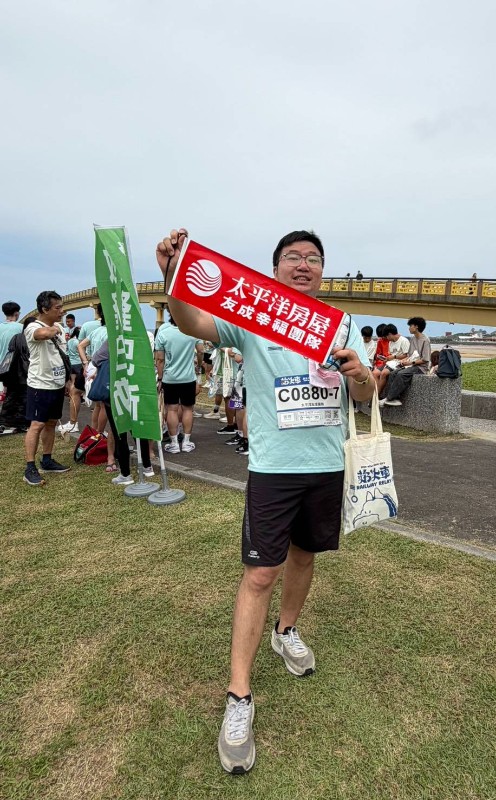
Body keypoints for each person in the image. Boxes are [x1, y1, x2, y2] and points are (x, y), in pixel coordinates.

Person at [156, 227, 373, 775]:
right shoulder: (256, 315)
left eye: (313, 258)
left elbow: (367, 391)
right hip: (273, 468)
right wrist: (173, 277)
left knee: (305, 556)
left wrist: (361, 374)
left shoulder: (342, 323)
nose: (304, 265)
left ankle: (286, 631)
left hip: (326, 465)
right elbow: (192, 322)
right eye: (292, 257)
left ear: (322, 270)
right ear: (275, 268)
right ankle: (239, 696)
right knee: (260, 574)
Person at [23, 291, 71, 486]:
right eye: (57, 308)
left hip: (57, 384)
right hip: (40, 385)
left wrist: (67, 382)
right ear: (44, 309)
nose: (61, 311)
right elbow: (41, 334)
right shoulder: (33, 326)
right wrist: (53, 330)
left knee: (51, 423)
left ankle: (47, 459)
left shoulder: (59, 326)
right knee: (36, 425)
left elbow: (63, 356)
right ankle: (30, 467)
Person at [90, 340, 154, 485]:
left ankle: (125, 473)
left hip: (116, 391)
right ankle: (147, 466)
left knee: (119, 432)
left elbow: (96, 359)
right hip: (134, 390)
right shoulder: (136, 338)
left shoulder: (113, 339)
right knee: (138, 430)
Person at [154, 317, 204, 453]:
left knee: (171, 410)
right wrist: (199, 365)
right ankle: (186, 442)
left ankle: (174, 443)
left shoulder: (163, 332)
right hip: (188, 377)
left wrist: (160, 378)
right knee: (188, 409)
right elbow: (200, 350)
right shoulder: (192, 330)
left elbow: (159, 359)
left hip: (169, 378)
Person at [380, 317, 431, 406]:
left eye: (411, 326)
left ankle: (390, 398)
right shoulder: (413, 339)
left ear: (416, 326)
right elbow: (410, 355)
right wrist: (404, 360)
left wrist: (411, 363)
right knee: (393, 373)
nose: (409, 328)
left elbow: (425, 359)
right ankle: (391, 397)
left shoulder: (425, 340)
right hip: (412, 364)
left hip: (421, 367)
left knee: (401, 374)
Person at [0, 316, 36, 434]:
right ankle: (23, 424)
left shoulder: (16, 337)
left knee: (10, 398)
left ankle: (4, 422)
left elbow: (10, 351)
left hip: (14, 373)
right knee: (25, 400)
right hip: (28, 373)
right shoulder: (33, 339)